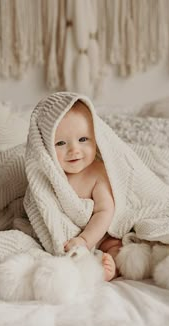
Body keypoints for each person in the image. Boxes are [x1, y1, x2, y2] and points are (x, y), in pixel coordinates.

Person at [54, 100, 122, 281]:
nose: (74, 149)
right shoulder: (50, 175)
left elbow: (105, 210)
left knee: (117, 247)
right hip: (67, 240)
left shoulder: (98, 172)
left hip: (102, 233)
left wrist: (85, 240)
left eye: (83, 139)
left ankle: (111, 268)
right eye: (60, 143)